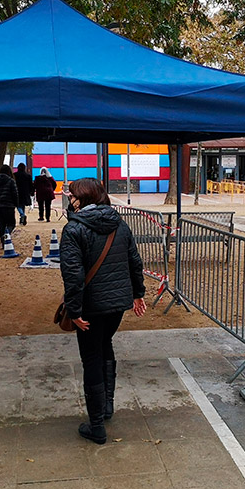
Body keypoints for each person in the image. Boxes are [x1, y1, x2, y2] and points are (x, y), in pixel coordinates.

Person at [60, 178, 146, 444]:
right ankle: (106, 405)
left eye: (72, 196)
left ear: (82, 199)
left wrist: (74, 311)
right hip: (117, 305)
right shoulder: (119, 224)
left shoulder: (74, 230)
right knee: (105, 345)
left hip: (90, 308)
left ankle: (96, 424)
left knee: (92, 358)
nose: (69, 200)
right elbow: (134, 261)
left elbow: (73, 275)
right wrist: (137, 293)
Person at [0, 164, 20, 240]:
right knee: (11, 224)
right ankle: (6, 234)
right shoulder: (11, 181)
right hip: (9, 206)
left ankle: (3, 242)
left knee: (1, 225)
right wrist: (16, 204)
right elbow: (15, 193)